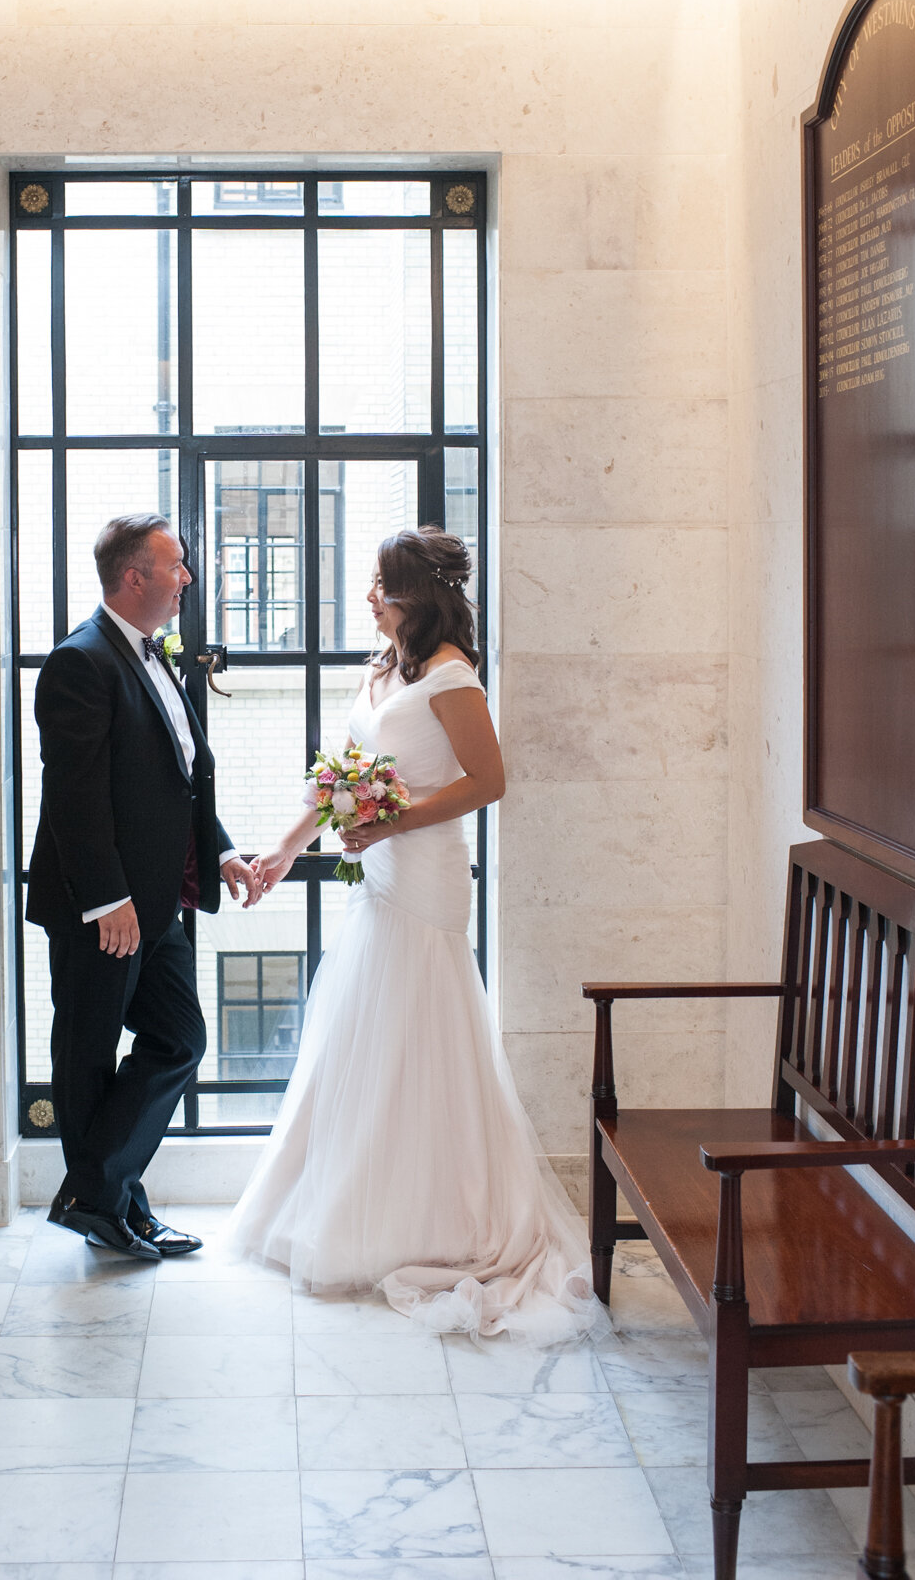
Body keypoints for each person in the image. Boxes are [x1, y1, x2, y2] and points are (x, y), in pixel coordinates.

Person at [228, 525, 600, 1339]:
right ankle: (358, 1204)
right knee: (369, 1032)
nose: (369, 597)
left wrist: (393, 821)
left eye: (380, 586)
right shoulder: (383, 669)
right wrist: (285, 850)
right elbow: (339, 779)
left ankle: (440, 1218)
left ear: (415, 598)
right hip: (380, 877)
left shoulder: (451, 676)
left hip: (426, 876)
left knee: (422, 1029)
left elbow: (489, 780)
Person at [27, 513, 256, 1260]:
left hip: (160, 904)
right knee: (88, 1054)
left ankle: (96, 1197)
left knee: (179, 1039)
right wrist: (105, 898)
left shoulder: (150, 656)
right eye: (176, 566)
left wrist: (217, 850)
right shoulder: (80, 662)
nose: (186, 577)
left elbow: (179, 784)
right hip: (107, 908)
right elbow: (74, 794)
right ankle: (114, 1207)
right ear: (135, 577)